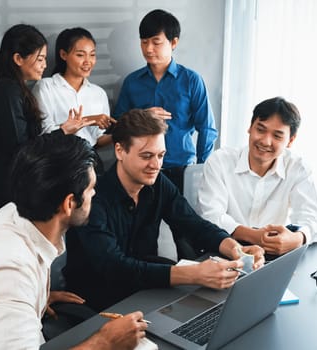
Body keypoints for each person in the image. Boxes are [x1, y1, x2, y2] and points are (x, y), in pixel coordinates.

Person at [0, 132, 148, 349]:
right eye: (90, 188)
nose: (94, 194)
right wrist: (105, 342)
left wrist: (34, 297)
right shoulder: (10, 275)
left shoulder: (13, 213)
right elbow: (9, 282)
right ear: (68, 204)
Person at [63, 109, 265, 312]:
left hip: (145, 287)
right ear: (120, 151)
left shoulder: (158, 183)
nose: (156, 165)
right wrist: (194, 274)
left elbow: (193, 224)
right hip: (99, 297)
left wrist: (234, 248)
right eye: (146, 156)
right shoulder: (94, 198)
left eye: (161, 155)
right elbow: (114, 267)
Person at [198, 97, 317, 258]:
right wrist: (253, 236)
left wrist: (298, 238)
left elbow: (312, 217)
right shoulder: (220, 161)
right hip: (225, 249)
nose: (265, 141)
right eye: (261, 130)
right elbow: (210, 216)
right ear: (250, 128)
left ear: (290, 140)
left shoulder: (298, 168)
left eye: (277, 136)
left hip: (274, 254)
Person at [114, 9, 218, 192]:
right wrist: (141, 117)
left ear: (173, 42)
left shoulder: (191, 80)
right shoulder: (132, 82)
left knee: (182, 219)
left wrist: (202, 169)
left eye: (156, 42)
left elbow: (207, 128)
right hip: (140, 170)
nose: (148, 49)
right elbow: (116, 126)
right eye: (144, 42)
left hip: (181, 168)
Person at [0, 24, 48, 216]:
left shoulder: (14, 89)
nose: (44, 65)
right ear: (18, 59)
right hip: (8, 189)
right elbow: (20, 145)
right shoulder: (8, 91)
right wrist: (63, 132)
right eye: (40, 59)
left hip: (12, 185)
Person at [32, 27, 116, 148]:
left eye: (92, 55)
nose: (88, 61)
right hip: (56, 161)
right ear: (63, 54)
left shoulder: (99, 93)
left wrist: (121, 134)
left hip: (89, 162)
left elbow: (97, 140)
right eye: (80, 55)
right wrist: (88, 120)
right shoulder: (46, 87)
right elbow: (45, 133)